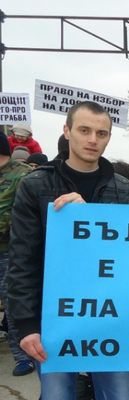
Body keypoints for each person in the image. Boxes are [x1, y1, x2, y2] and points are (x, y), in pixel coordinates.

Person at [8, 101, 129, 400]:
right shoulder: (36, 185)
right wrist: (26, 326)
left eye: (101, 133)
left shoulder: (123, 188)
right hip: (54, 322)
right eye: (84, 130)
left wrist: (91, 217)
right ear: (66, 132)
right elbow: (23, 260)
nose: (93, 139)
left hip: (110, 320)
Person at [0, 132, 34, 377]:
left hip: (9, 253)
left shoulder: (23, 176)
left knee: (13, 306)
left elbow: (25, 216)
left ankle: (23, 356)